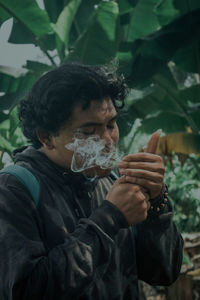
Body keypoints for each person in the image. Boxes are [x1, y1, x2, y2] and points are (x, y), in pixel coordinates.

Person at [0, 62, 183, 300]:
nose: (108, 140)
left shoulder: (116, 181)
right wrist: (109, 219)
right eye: (89, 132)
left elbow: (164, 272)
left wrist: (157, 202)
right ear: (47, 137)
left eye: (111, 125)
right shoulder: (14, 190)